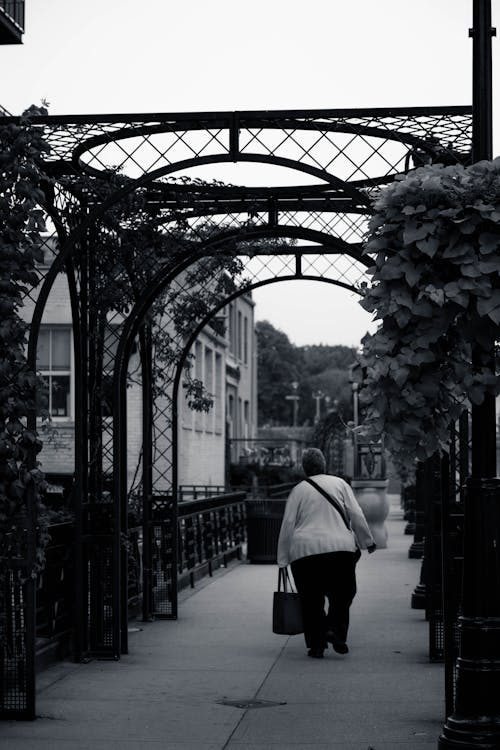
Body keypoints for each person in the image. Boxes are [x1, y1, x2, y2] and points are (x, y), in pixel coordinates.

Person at [277, 447, 376, 659]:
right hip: (340, 549)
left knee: (311, 600)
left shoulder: (298, 490)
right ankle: (336, 631)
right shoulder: (340, 484)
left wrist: (283, 558)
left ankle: (317, 645)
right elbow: (355, 513)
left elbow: (287, 524)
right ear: (324, 465)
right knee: (343, 594)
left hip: (305, 553)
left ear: (305, 468)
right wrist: (367, 540)